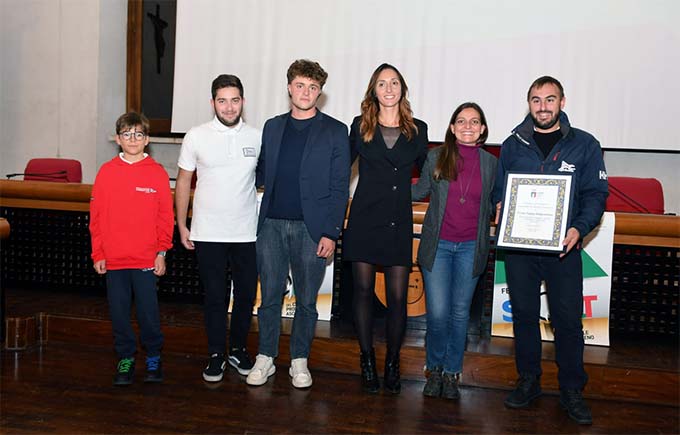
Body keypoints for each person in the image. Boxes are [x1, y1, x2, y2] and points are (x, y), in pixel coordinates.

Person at [493, 76, 608, 425]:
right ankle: (528, 381)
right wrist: (499, 207)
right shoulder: (512, 144)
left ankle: (572, 389)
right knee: (524, 316)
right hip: (520, 250)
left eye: (550, 99)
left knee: (567, 320)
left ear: (562, 102)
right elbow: (500, 190)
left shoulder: (585, 144)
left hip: (564, 249)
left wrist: (579, 228)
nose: (543, 107)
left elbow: (596, 195)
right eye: (536, 100)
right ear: (529, 103)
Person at [246, 59, 350, 389]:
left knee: (306, 301)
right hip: (271, 225)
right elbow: (260, 172)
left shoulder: (336, 131)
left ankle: (299, 360)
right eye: (300, 85)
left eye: (313, 87)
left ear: (320, 93)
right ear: (289, 87)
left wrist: (331, 232)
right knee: (270, 297)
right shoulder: (272, 127)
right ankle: (266, 357)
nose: (306, 92)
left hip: (312, 229)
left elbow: (340, 186)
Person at [343, 63, 428, 394]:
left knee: (397, 297)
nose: (389, 88)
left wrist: (408, 195)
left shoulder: (418, 130)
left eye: (394, 83)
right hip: (364, 219)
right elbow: (341, 170)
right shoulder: (359, 126)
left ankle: (392, 362)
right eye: (382, 83)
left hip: (398, 222)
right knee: (363, 292)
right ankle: (367, 360)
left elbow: (430, 177)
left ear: (402, 89)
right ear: (373, 91)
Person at [175, 74, 261, 382]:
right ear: (212, 103)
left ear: (243, 102)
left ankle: (237, 349)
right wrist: (181, 224)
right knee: (214, 296)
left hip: (247, 232)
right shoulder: (196, 136)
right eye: (222, 101)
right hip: (207, 232)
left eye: (234, 100)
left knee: (246, 295)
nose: (229, 107)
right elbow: (183, 181)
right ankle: (215, 354)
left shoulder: (257, 137)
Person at [411, 102, 497, 399]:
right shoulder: (437, 157)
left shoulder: (491, 164)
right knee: (437, 314)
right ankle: (433, 369)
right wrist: (385, 186)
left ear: (482, 129)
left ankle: (451, 373)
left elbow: (494, 202)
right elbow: (419, 191)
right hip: (439, 247)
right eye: (461, 121)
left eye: (474, 121)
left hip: (471, 248)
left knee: (460, 314)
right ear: (452, 127)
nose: (467, 126)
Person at [89, 111, 173, 386]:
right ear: (118, 139)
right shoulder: (106, 172)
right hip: (114, 259)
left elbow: (165, 217)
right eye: (127, 134)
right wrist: (98, 253)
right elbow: (96, 217)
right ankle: (125, 357)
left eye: (138, 134)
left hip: (146, 260)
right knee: (119, 314)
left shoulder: (157, 173)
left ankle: (153, 356)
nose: (133, 139)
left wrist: (162, 252)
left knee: (149, 313)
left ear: (147, 139)